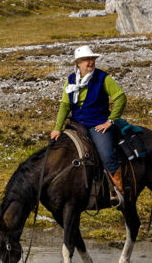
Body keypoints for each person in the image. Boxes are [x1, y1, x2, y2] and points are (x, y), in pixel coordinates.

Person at [50, 45, 128, 206]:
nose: (90, 62)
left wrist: (110, 121)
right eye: (86, 60)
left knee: (106, 154)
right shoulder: (70, 80)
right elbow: (65, 105)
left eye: (92, 59)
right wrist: (57, 128)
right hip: (76, 124)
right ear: (78, 63)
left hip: (97, 124)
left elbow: (120, 97)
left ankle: (119, 191)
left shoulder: (103, 78)